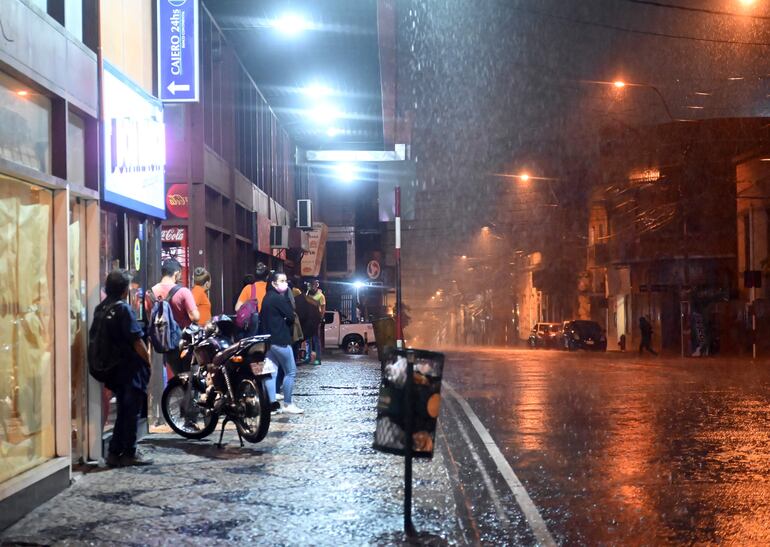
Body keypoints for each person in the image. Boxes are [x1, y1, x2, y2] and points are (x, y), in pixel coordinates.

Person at [98, 269, 152, 467]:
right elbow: (137, 341)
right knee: (131, 412)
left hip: (113, 369)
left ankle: (114, 451)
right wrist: (147, 361)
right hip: (130, 369)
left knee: (123, 410)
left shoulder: (101, 308)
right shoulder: (123, 309)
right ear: (123, 290)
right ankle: (129, 451)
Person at [145, 259, 199, 376]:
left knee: (178, 376)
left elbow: (150, 318)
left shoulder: (150, 294)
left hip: (166, 343)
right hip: (185, 342)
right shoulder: (183, 291)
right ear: (176, 273)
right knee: (191, 377)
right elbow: (195, 317)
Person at [260, 271, 304, 414]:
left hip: (268, 342)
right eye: (282, 280)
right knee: (290, 371)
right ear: (273, 283)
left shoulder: (266, 298)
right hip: (280, 340)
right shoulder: (278, 299)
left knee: (271, 373)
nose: (285, 283)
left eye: (286, 280)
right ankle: (288, 403)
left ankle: (272, 405)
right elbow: (291, 316)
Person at [235, 263, 269, 335]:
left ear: (255, 276)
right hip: (268, 326)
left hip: (252, 328)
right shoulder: (270, 289)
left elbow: (237, 308)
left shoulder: (248, 288)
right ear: (267, 277)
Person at [307, 279, 326, 366]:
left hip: (316, 319)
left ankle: (318, 359)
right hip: (308, 319)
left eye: (314, 284)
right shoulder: (308, 294)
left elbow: (322, 309)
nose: (312, 286)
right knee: (309, 339)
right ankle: (309, 358)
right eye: (311, 285)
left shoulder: (320, 296)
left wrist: (320, 319)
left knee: (316, 340)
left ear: (317, 285)